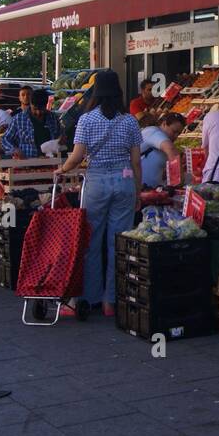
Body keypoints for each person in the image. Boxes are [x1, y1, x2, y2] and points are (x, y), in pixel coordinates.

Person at [59, 70, 142, 317]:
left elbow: (76, 157)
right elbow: (136, 162)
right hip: (124, 180)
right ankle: (111, 301)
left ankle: (89, 298)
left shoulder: (86, 120)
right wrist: (138, 192)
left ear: (96, 92)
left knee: (91, 241)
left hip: (96, 182)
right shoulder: (129, 121)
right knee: (118, 242)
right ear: (118, 92)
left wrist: (60, 170)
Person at [1, 89, 62, 160]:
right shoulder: (18, 119)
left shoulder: (53, 118)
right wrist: (14, 150)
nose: (38, 112)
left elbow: (59, 137)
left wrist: (60, 140)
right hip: (26, 163)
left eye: (42, 109)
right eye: (35, 109)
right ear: (30, 104)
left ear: (46, 105)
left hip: (50, 163)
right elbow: (5, 138)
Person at [141, 112, 187, 188]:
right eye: (174, 131)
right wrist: (180, 180)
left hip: (152, 189)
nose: (176, 136)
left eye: (178, 133)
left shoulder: (162, 140)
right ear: (164, 124)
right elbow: (171, 149)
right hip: (139, 189)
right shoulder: (153, 132)